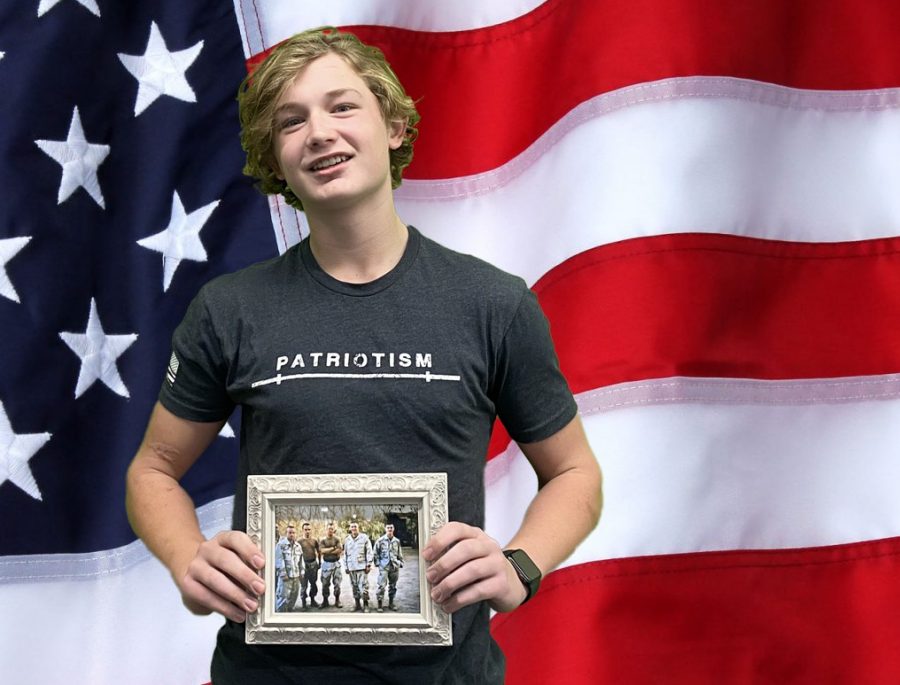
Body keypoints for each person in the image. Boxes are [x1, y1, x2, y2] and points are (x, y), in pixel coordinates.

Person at [125, 26, 601, 684]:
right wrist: (189, 559)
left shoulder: (494, 303)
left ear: (395, 127)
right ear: (277, 159)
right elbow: (153, 470)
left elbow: (575, 472)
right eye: (291, 121)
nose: (319, 132)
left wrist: (521, 564)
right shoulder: (228, 310)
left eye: (342, 106)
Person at [343, 521, 373, 612]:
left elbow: (369, 551)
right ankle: (357, 604)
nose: (353, 529)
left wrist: (368, 564)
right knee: (354, 586)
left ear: (358, 528)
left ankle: (366, 604)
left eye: (355, 527)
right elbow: (345, 554)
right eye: (352, 527)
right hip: (351, 567)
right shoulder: (347, 539)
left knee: (364, 586)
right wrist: (346, 567)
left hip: (361, 566)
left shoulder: (364, 538)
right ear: (350, 529)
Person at [373, 523, 404, 612]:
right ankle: (380, 604)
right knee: (381, 586)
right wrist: (378, 563)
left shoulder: (396, 541)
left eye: (391, 527)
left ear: (393, 529)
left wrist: (401, 562)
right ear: (385, 529)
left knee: (393, 586)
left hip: (394, 566)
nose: (389, 529)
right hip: (384, 566)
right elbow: (376, 553)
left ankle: (391, 603)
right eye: (388, 527)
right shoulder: (380, 540)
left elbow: (399, 552)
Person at [273, 524, 302, 612]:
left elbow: (301, 560)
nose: (292, 534)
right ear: (286, 533)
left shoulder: (298, 546)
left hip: (296, 576)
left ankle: (289, 613)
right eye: (290, 532)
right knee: (283, 597)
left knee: (294, 595)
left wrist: (302, 572)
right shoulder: (280, 545)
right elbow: (278, 560)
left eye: (293, 533)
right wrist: (283, 573)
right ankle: (280, 616)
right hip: (286, 577)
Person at [318, 522, 343, 608]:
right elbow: (321, 551)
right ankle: (325, 601)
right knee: (325, 583)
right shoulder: (322, 540)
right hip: (326, 564)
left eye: (332, 529)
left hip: (336, 563)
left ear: (334, 530)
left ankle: (337, 600)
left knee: (337, 583)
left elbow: (339, 550)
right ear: (326, 529)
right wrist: (333, 548)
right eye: (329, 529)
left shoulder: (337, 539)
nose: (330, 530)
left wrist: (327, 550)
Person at [298, 522, 321, 609]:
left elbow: (319, 552)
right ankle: (304, 602)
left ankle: (313, 600)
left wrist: (319, 562)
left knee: (313, 583)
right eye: (305, 529)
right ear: (302, 530)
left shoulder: (314, 540)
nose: (307, 531)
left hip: (313, 564)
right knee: (304, 585)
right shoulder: (299, 541)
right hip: (304, 565)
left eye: (309, 529)